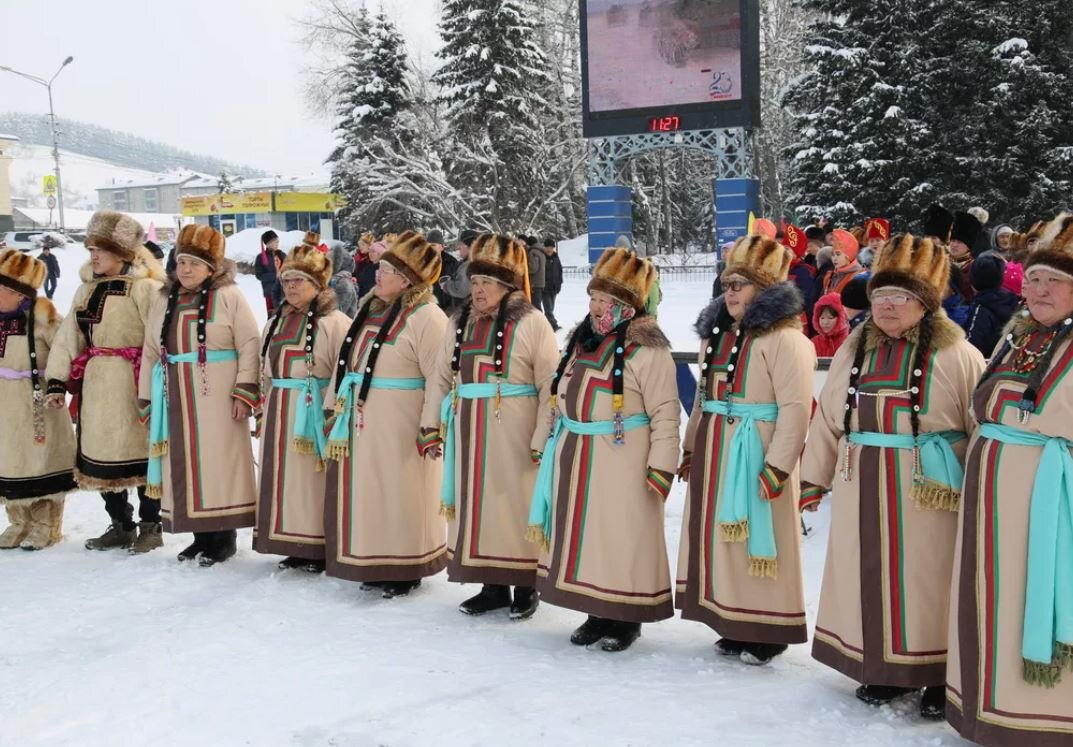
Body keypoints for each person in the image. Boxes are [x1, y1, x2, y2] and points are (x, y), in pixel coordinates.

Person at [800, 234, 986, 719]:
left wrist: (980, 493)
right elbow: (829, 419)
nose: (886, 306)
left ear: (924, 302)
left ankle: (937, 675)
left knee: (928, 579)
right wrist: (812, 479)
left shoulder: (960, 355)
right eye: (880, 296)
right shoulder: (855, 349)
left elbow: (979, 427)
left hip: (929, 491)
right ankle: (880, 668)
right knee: (868, 574)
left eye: (899, 297)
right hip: (862, 481)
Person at [947, 212, 1073, 745]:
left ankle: (1042, 716)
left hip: (1047, 496)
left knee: (1033, 591)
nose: (1040, 288)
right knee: (990, 595)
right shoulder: (1018, 335)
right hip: (992, 492)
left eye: (1057, 281)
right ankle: (986, 705)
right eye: (1036, 277)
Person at [528, 246, 679, 652]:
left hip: (624, 457)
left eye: (605, 300)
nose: (596, 307)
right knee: (588, 536)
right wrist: (542, 442)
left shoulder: (649, 348)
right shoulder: (582, 340)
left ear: (627, 304)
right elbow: (555, 395)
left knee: (621, 536)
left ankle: (625, 618)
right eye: (593, 298)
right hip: (577, 451)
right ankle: (596, 612)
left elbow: (666, 412)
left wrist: (662, 465)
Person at [676, 237, 815, 664]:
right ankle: (732, 619)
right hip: (718, 447)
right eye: (727, 283)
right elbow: (703, 396)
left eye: (741, 284)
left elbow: (795, 409)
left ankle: (768, 628)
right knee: (724, 538)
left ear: (765, 289)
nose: (731, 291)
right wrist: (692, 445)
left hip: (757, 449)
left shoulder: (787, 340)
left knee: (761, 535)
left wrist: (778, 465)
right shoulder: (718, 336)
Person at [420, 233, 558, 619]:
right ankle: (492, 585)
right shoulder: (458, 321)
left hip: (515, 431)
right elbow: (440, 378)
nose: (477, 290)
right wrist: (431, 424)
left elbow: (551, 384)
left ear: (507, 285)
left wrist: (541, 435)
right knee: (476, 505)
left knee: (515, 505)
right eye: (475, 282)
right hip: (469, 430)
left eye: (486, 284)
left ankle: (526, 585)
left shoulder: (533, 323)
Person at [323, 232, 447, 598]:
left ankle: (406, 564)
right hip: (364, 420)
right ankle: (376, 558)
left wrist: (430, 426)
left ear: (408, 279)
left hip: (401, 422)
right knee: (372, 490)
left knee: (402, 490)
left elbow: (438, 378)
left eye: (388, 269)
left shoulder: (428, 317)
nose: (379, 274)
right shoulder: (371, 306)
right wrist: (334, 406)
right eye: (380, 266)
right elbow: (345, 362)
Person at [138, 225, 261, 566]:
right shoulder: (164, 298)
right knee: (184, 464)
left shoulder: (230, 296)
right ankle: (199, 536)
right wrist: (146, 397)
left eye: (194, 263)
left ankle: (223, 537)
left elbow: (249, 343)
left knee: (218, 463)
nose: (186, 269)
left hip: (218, 396)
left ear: (212, 267)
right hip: (174, 393)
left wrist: (245, 391)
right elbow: (151, 349)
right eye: (181, 262)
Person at [45, 211, 166, 553]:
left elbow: (159, 340)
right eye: (91, 250)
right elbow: (69, 339)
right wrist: (56, 380)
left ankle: (151, 525)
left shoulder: (146, 289)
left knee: (141, 455)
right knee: (99, 456)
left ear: (123, 254)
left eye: (101, 249)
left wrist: (154, 388)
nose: (94, 256)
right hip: (97, 384)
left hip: (134, 382)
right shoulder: (85, 291)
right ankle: (120, 523)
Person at [253, 244, 351, 573]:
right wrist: (261, 406)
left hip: (312, 410)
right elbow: (263, 367)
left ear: (318, 284)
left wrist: (333, 411)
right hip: (280, 407)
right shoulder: (275, 322)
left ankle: (318, 546)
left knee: (312, 480)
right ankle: (293, 542)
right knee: (283, 480)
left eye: (299, 280)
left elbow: (345, 370)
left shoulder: (337, 323)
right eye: (287, 280)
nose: (291, 286)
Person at [0, 250, 77, 550]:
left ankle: (47, 524)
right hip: (5, 404)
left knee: (40, 461)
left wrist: (57, 383)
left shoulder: (45, 321)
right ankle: (19, 521)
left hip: (36, 403)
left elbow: (66, 350)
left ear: (19, 294)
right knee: (9, 460)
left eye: (3, 290)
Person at [963, 252, 1019, 356]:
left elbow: (973, 342)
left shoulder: (981, 307)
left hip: (985, 360)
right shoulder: (1010, 299)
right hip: (1003, 356)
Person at [438, 229, 477, 314]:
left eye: (461, 244)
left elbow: (461, 290)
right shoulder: (472, 263)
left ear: (468, 246)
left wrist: (446, 285)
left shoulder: (469, 265)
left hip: (464, 313)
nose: (458, 247)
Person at [818, 228, 865, 298]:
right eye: (833, 255)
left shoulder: (858, 277)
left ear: (849, 255)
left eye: (838, 254)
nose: (834, 258)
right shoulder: (830, 276)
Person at [950, 211, 984, 301]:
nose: (954, 245)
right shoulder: (941, 262)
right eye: (953, 241)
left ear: (968, 246)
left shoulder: (975, 268)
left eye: (959, 242)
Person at [427, 230, 459, 310]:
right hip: (428, 308)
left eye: (433, 245)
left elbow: (457, 287)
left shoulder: (452, 262)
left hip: (448, 310)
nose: (429, 248)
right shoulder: (421, 263)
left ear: (441, 247)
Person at [811, 292, 849, 357]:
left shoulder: (849, 341)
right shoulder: (814, 342)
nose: (825, 322)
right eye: (822, 318)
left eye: (830, 318)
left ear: (841, 318)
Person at [328, 243, 358, 318]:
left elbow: (338, 312)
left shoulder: (344, 283)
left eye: (329, 260)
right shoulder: (333, 279)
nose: (325, 263)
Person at [254, 230, 281, 314]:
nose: (277, 243)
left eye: (277, 241)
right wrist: (275, 275)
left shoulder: (281, 255)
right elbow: (259, 275)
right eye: (275, 241)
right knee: (272, 316)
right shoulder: (260, 257)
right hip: (270, 292)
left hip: (284, 291)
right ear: (268, 244)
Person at [542, 238, 563, 331]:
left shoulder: (556, 257)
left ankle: (546, 325)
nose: (549, 249)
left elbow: (560, 271)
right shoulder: (542, 257)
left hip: (554, 287)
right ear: (544, 248)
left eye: (551, 247)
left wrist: (559, 283)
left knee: (551, 308)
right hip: (545, 288)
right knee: (548, 309)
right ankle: (553, 325)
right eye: (547, 247)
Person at [526, 236, 546, 313]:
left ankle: (539, 323)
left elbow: (533, 268)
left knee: (535, 306)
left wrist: (526, 271)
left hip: (535, 282)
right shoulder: (541, 251)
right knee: (537, 304)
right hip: (541, 282)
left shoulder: (533, 252)